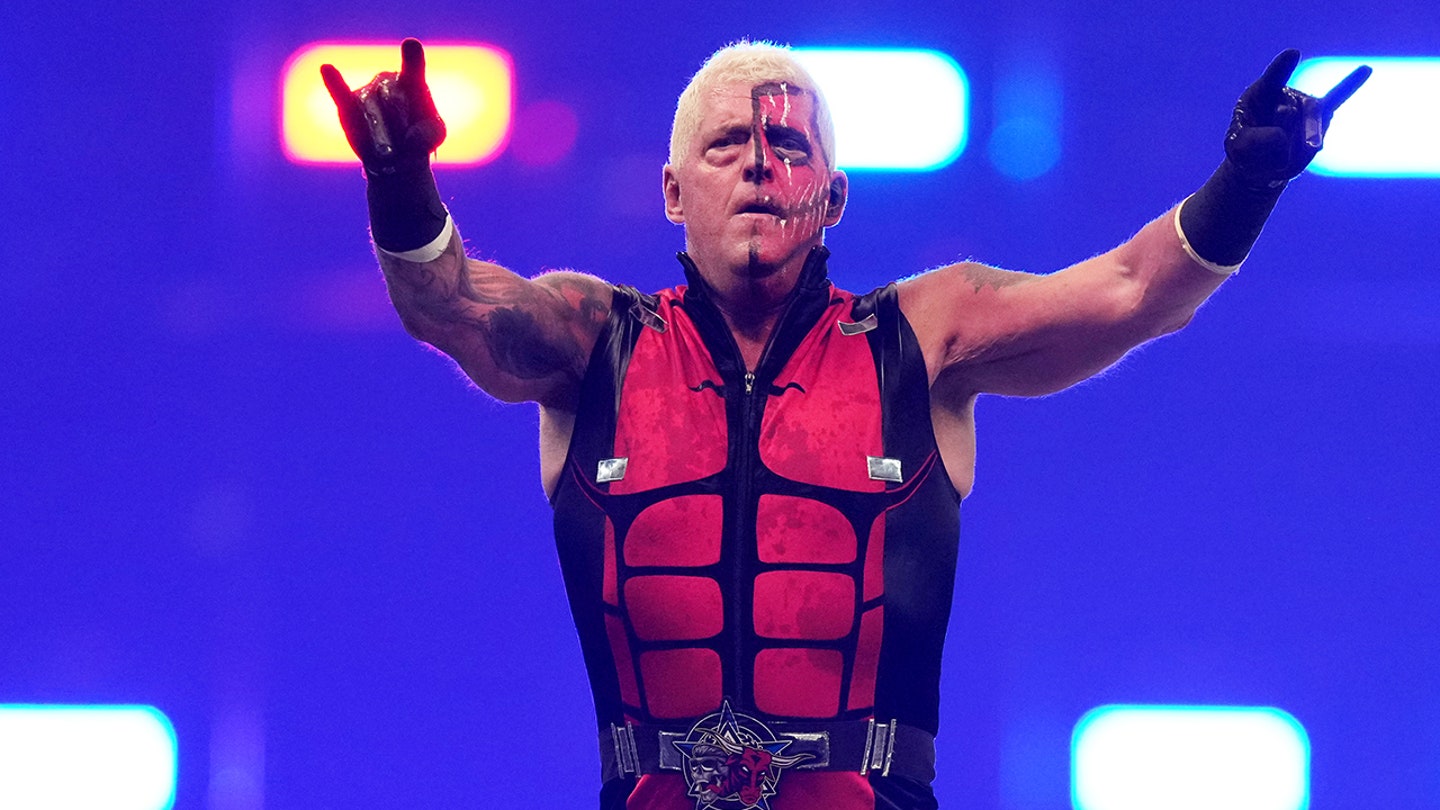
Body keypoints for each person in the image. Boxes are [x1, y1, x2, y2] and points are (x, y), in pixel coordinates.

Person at [321, 39, 1368, 810]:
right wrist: (401, 184)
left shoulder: (927, 335)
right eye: (728, 145)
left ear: (833, 195)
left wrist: (1247, 183)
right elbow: (450, 308)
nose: (760, 164)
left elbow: (1132, 292)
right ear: (673, 191)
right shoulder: (593, 339)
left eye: (787, 144)